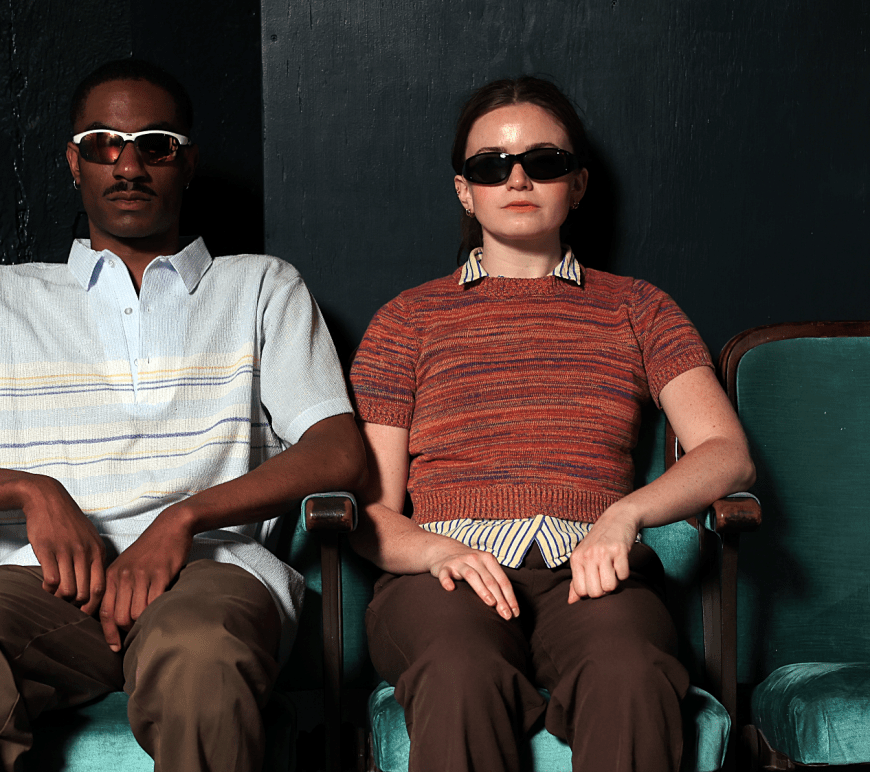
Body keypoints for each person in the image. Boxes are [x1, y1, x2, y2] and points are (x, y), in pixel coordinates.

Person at [349, 76, 755, 772]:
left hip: (593, 569)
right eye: (491, 166)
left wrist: (626, 516)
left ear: (578, 183)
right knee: (458, 673)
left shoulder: (639, 308)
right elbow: (372, 512)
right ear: (464, 191)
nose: (517, 179)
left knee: (631, 675)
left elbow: (727, 452)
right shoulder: (407, 320)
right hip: (446, 577)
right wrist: (437, 553)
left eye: (543, 161)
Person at [0, 59, 365, 772]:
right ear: (74, 162)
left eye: (156, 145)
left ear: (187, 163)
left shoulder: (260, 286)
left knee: (201, 658)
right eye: (104, 144)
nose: (128, 165)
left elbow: (337, 450)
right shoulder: (10, 300)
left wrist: (184, 518)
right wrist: (27, 489)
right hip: (41, 582)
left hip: (209, 571)